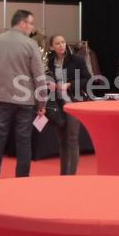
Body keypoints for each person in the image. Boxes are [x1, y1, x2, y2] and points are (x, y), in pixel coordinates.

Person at [0, 9, 47, 181]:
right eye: (31, 23)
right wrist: (42, 103)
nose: (32, 28)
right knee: (23, 142)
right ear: (23, 23)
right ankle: (21, 181)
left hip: (3, 97)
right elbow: (39, 76)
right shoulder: (30, 44)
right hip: (25, 100)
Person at [45, 34, 91, 175]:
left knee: (72, 139)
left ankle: (72, 175)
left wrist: (70, 85)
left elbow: (87, 79)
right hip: (57, 105)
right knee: (62, 141)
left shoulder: (76, 60)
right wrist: (48, 83)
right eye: (58, 43)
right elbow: (45, 79)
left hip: (73, 104)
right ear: (52, 47)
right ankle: (63, 174)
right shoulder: (49, 62)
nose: (61, 45)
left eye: (63, 42)